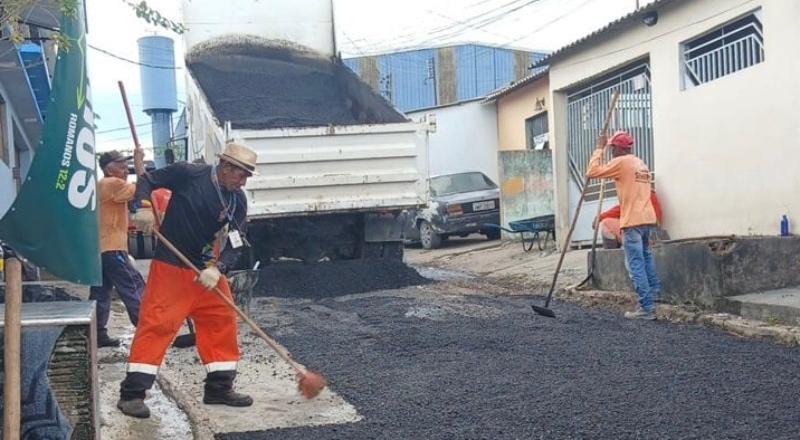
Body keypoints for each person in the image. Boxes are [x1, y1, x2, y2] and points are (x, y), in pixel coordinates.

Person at [117, 143, 256, 419]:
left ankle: (218, 388)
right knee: (158, 324)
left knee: (221, 319)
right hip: (172, 263)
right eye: (241, 175)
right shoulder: (189, 174)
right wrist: (143, 207)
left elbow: (236, 240)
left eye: (246, 178)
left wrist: (220, 268)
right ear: (226, 167)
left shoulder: (237, 200)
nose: (242, 182)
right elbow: (147, 180)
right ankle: (132, 394)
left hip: (205, 269)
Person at [587, 131, 661, 320]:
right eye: (610, 148)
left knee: (635, 264)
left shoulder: (622, 162)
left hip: (633, 222)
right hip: (647, 219)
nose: (611, 151)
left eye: (613, 148)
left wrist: (599, 149)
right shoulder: (640, 163)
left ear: (620, 148)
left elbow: (592, 172)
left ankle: (646, 307)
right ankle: (655, 296)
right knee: (646, 258)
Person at [90, 150, 146, 347]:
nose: (125, 169)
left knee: (101, 293)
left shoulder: (102, 185)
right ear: (108, 168)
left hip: (101, 250)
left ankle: (97, 334)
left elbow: (136, 200)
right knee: (134, 285)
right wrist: (140, 165)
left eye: (127, 165)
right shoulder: (111, 183)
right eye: (121, 165)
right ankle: (147, 331)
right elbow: (142, 188)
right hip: (113, 249)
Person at [596, 190, 664, 249]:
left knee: (606, 223)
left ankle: (611, 253)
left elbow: (622, 209)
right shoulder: (647, 192)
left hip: (641, 233)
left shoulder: (638, 192)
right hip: (650, 231)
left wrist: (600, 217)